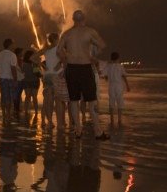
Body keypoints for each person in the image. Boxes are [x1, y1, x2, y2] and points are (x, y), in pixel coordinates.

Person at [57, 10, 109, 140]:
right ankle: (97, 131)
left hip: (72, 68)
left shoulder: (67, 33)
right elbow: (102, 45)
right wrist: (92, 56)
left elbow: (59, 51)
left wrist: (66, 61)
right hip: (85, 68)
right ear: (84, 19)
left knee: (74, 100)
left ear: (73, 19)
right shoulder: (89, 31)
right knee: (91, 101)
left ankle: (78, 130)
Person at [33, 33, 60, 128]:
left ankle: (49, 122)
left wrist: (41, 64)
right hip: (57, 76)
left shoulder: (46, 50)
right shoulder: (59, 49)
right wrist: (58, 65)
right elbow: (66, 58)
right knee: (58, 101)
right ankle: (59, 122)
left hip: (47, 76)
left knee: (48, 101)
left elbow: (32, 58)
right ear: (56, 39)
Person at [103, 52, 130, 127]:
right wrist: (128, 86)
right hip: (119, 85)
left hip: (111, 85)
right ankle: (119, 120)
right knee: (120, 102)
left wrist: (108, 78)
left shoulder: (108, 66)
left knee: (111, 102)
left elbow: (105, 76)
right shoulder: (120, 66)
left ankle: (112, 119)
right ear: (118, 58)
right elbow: (124, 76)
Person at [0, 39, 18, 123]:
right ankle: (8, 115)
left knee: (3, 96)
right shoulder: (12, 55)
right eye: (13, 44)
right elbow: (13, 68)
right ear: (10, 45)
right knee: (9, 97)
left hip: (0, 77)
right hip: (8, 78)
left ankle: (4, 115)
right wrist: (15, 80)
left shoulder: (0, 54)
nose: (13, 46)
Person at [22, 50, 41, 117]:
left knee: (27, 96)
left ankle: (26, 110)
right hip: (35, 81)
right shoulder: (34, 64)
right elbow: (37, 73)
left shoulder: (23, 64)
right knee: (34, 97)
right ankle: (36, 111)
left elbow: (22, 73)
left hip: (26, 81)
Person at [13, 47, 25, 116]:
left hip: (15, 79)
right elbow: (22, 70)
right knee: (18, 94)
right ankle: (17, 108)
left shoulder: (14, 60)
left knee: (16, 94)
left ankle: (16, 108)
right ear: (19, 53)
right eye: (22, 52)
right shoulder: (20, 60)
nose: (22, 53)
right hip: (21, 79)